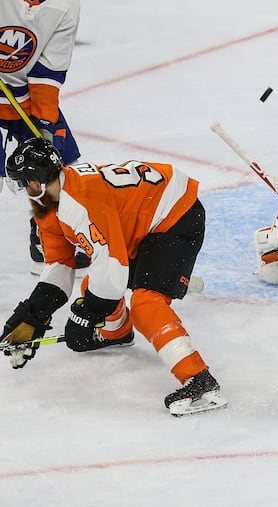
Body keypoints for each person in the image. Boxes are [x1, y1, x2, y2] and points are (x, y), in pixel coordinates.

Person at [0, 138, 227, 417]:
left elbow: (112, 271)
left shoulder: (79, 203)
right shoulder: (49, 206)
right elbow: (60, 264)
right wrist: (32, 316)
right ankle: (116, 332)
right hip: (142, 219)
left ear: (42, 178)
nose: (25, 190)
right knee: (92, 284)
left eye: (27, 182)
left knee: (146, 304)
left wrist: (86, 313)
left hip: (176, 215)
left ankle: (199, 380)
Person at [0, 0, 89, 273]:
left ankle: (49, 237)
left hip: (25, 96)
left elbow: (47, 74)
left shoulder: (65, 5)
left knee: (51, 163)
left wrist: (44, 128)